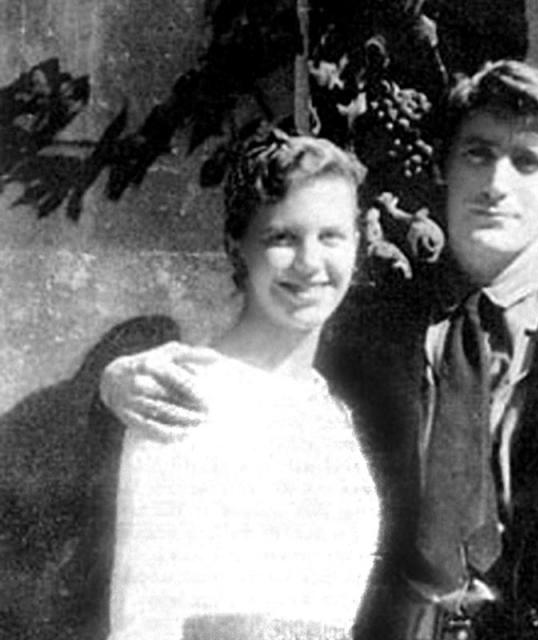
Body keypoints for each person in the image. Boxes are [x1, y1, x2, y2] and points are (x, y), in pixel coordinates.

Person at [100, 60, 538, 640]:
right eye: (478, 154)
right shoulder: (359, 331)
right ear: (444, 166)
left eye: (528, 162)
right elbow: (256, 372)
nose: (496, 184)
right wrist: (121, 376)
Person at [104, 129, 380, 640]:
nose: (310, 263)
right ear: (238, 248)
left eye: (331, 236)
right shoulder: (185, 391)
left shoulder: (333, 412)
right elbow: (143, 615)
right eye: (282, 238)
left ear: (357, 245)